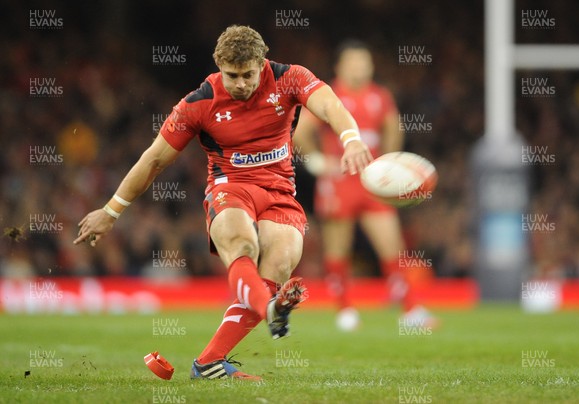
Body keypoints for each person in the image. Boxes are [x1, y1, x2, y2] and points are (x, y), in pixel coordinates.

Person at [73, 25, 372, 380]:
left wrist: (351, 139)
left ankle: (209, 362)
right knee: (242, 243)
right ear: (218, 66)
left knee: (280, 261)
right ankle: (270, 308)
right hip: (230, 188)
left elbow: (330, 104)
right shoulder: (199, 103)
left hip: (279, 192)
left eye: (248, 74)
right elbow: (153, 160)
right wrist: (110, 211)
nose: (241, 83)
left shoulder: (290, 79)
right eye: (232, 75)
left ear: (262, 63)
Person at [294, 40, 436, 331]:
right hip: (339, 180)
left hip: (373, 182)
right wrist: (318, 161)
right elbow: (301, 132)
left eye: (365, 62)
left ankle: (410, 311)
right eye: (354, 62)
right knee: (337, 249)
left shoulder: (380, 96)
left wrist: (391, 163)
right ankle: (345, 310)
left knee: (392, 247)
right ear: (340, 67)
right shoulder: (329, 96)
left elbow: (394, 126)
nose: (360, 68)